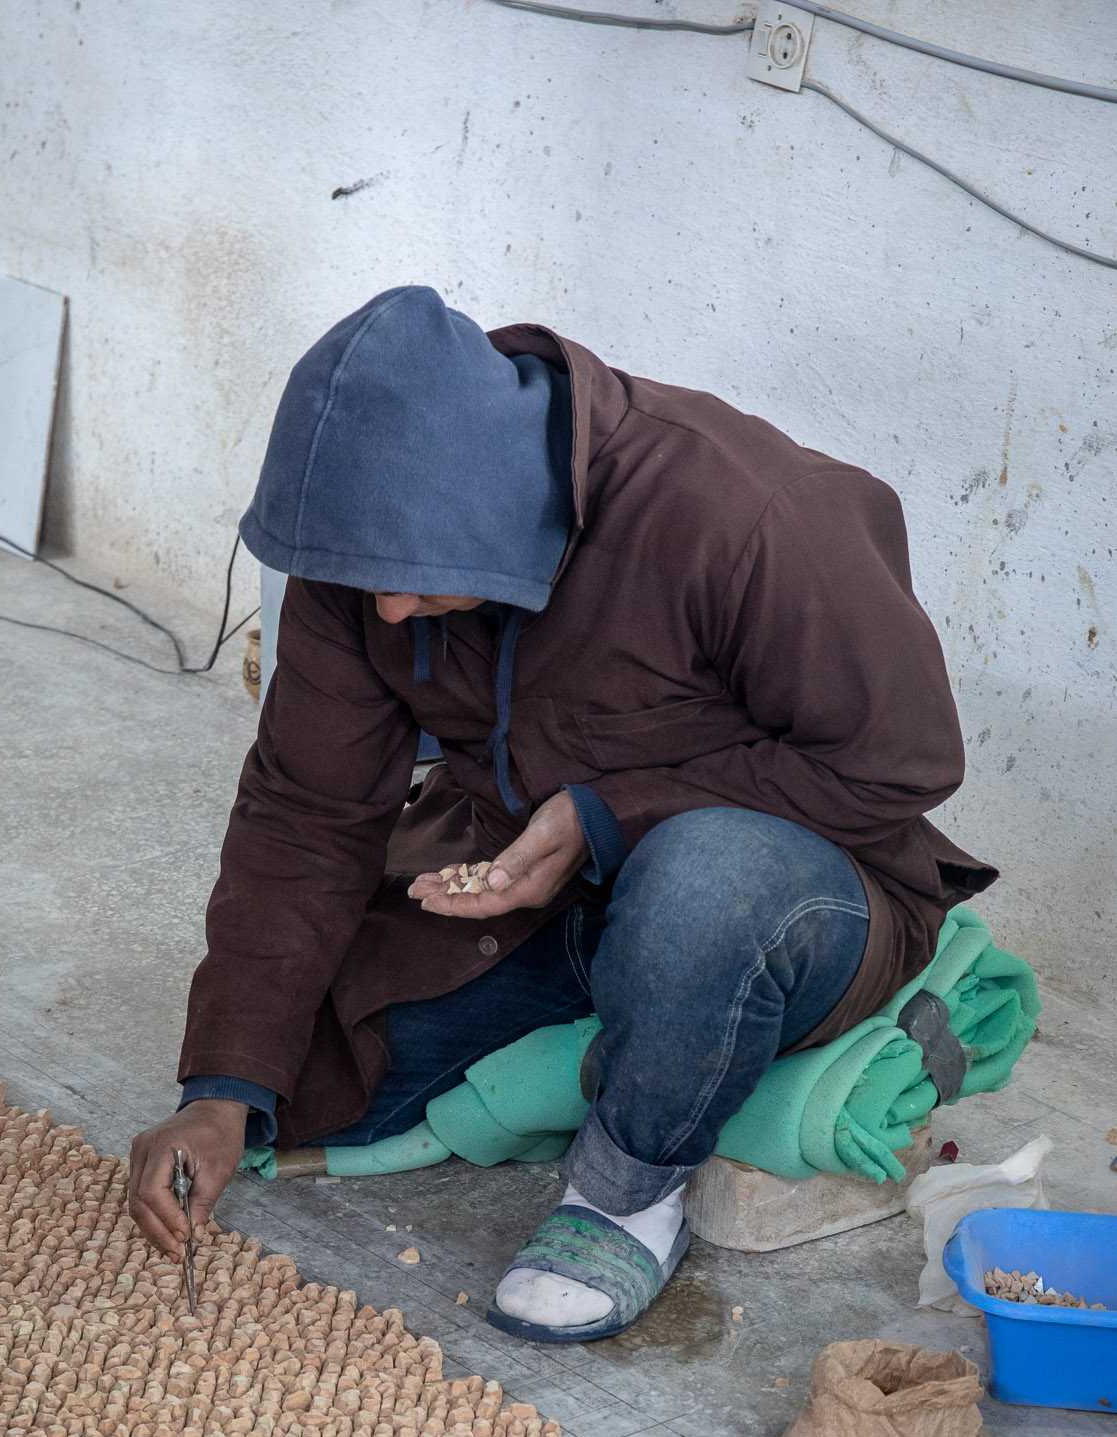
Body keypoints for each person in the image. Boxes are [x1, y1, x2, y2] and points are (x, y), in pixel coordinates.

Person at [128, 285, 994, 1342]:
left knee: (699, 889)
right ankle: (633, 1041)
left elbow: (897, 762)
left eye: (409, 581)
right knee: (322, 1068)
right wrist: (221, 1084)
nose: (388, 611)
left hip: (793, 890)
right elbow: (306, 807)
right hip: (544, 884)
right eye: (365, 584)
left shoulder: (745, 514)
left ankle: (628, 1187)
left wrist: (606, 816)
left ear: (505, 504)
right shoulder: (364, 562)